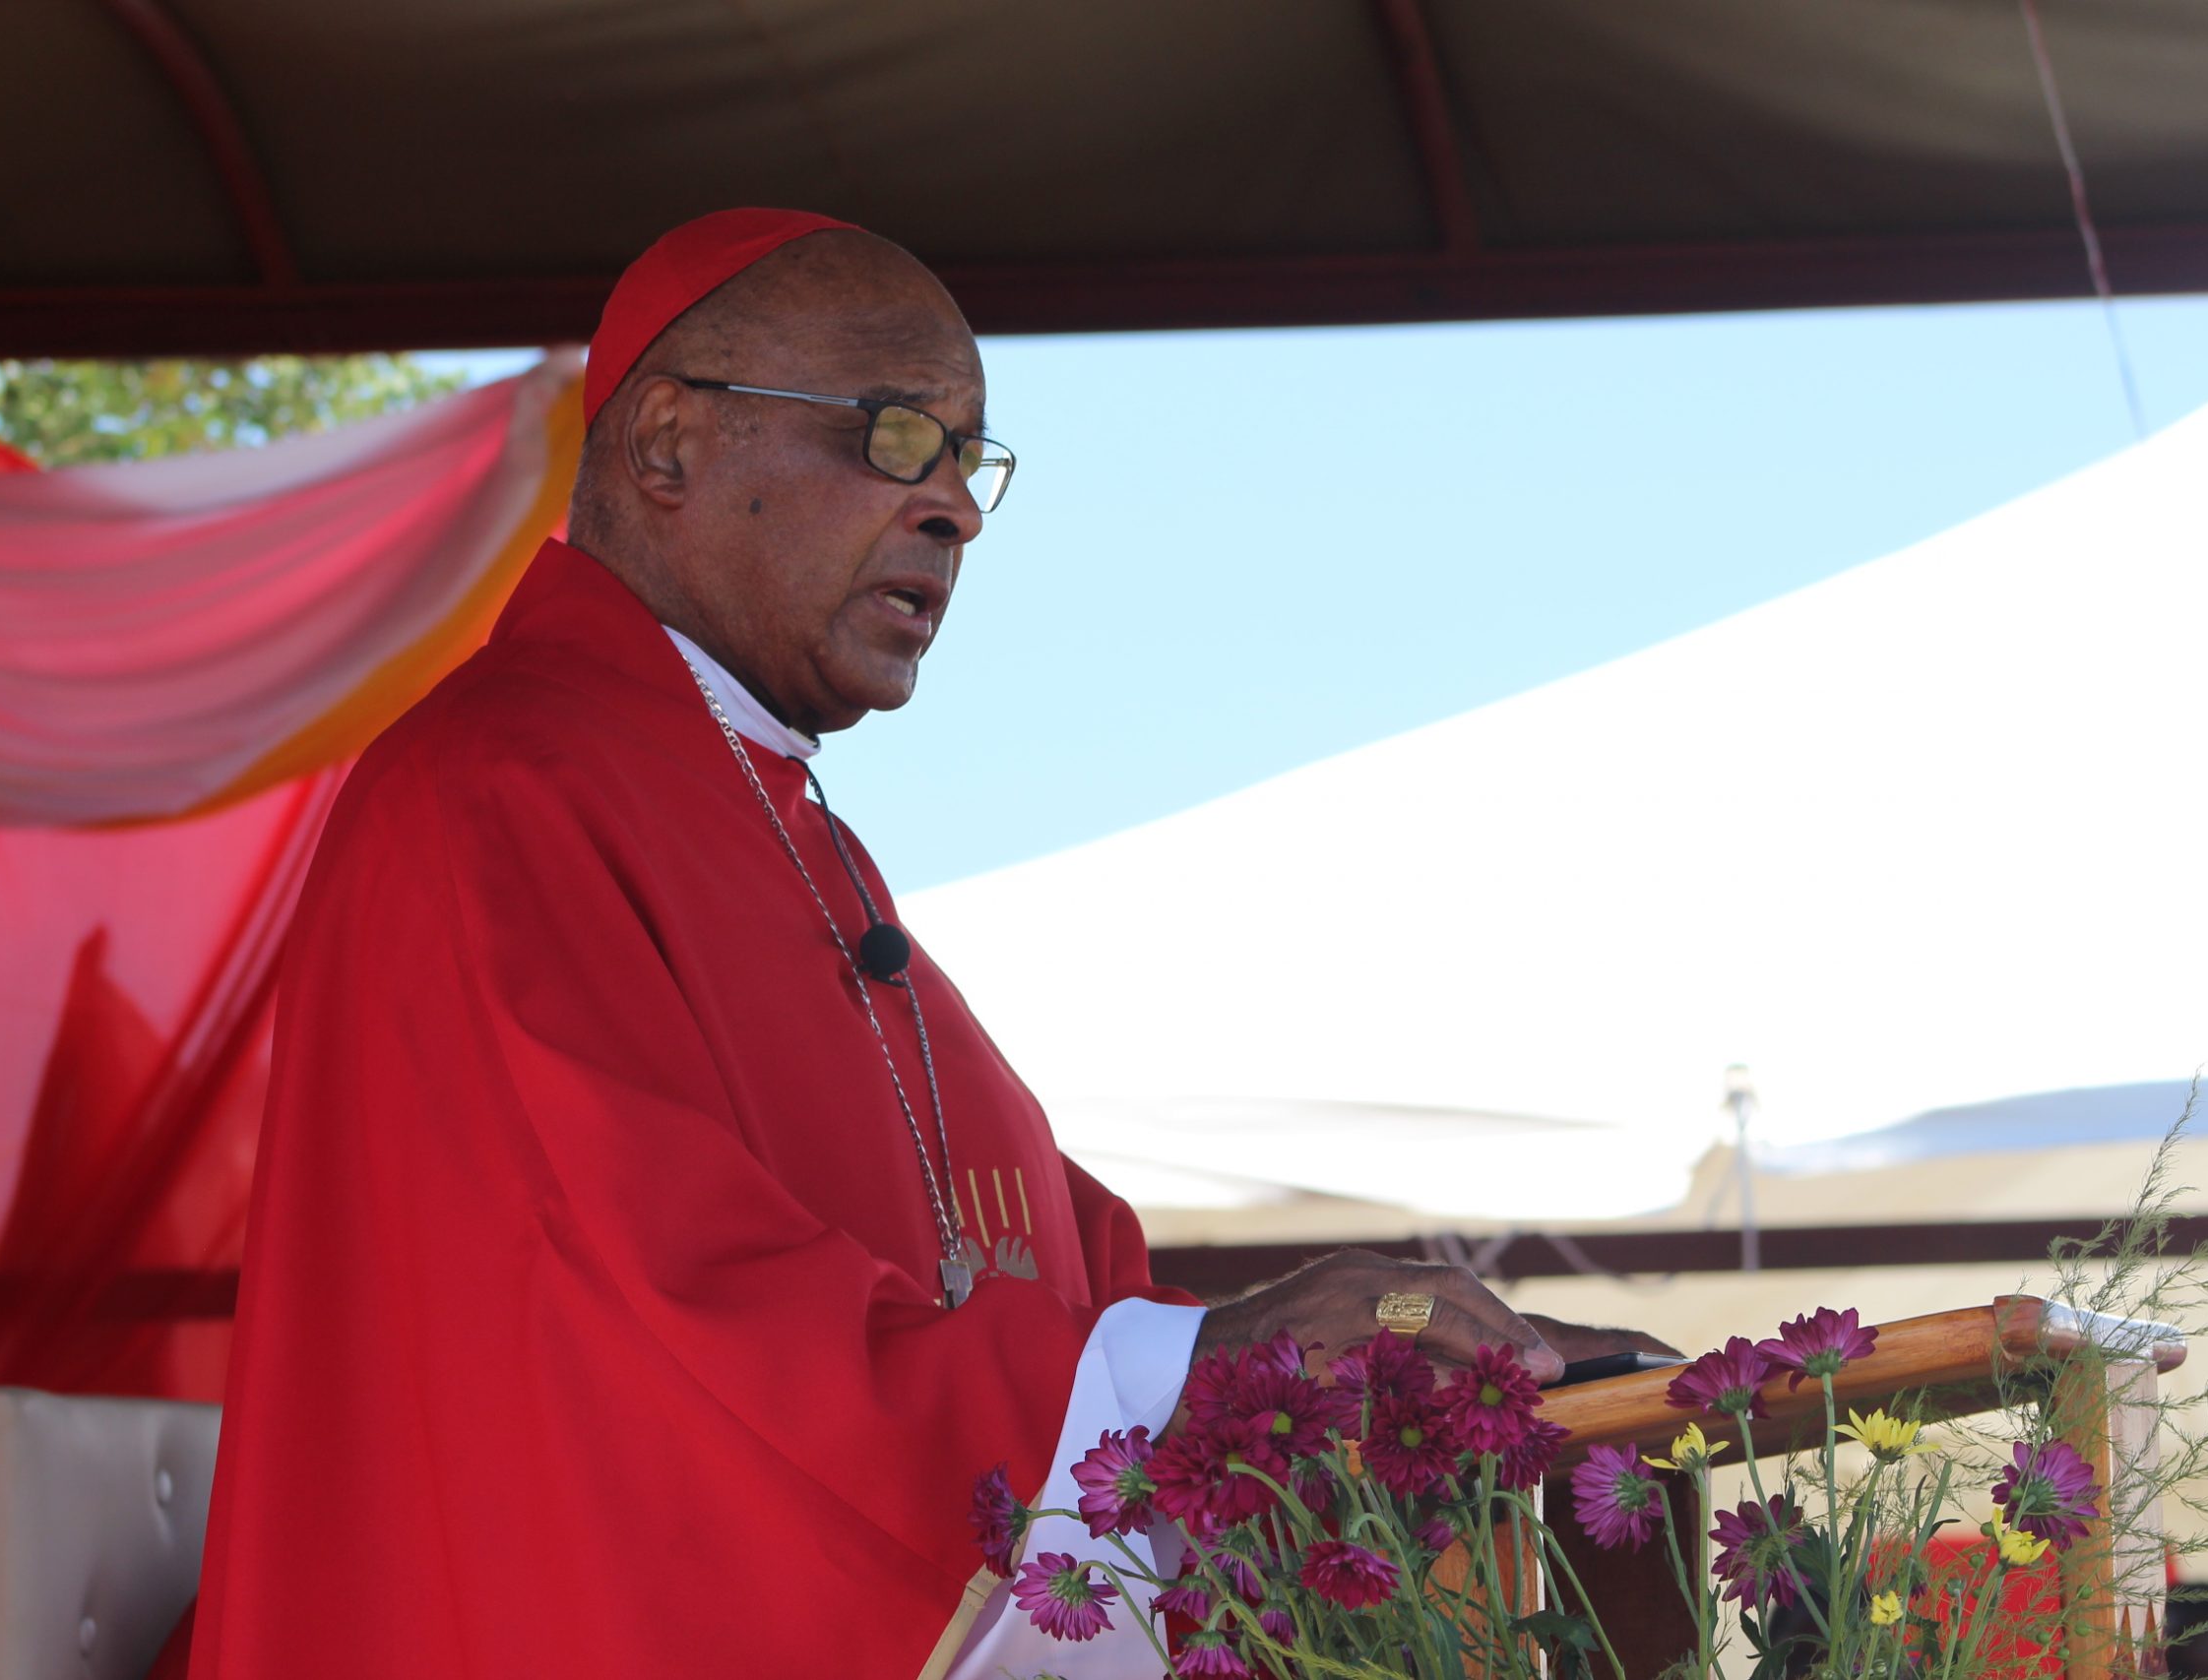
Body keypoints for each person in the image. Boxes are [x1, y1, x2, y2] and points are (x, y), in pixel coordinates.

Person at [186, 209, 1662, 1679]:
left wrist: (1373, 1370)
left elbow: (1059, 1272)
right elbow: (644, 1305)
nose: (953, 503)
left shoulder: (782, 832)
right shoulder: (498, 788)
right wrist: (1196, 1375)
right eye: (896, 435)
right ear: (667, 445)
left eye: (969, 457)